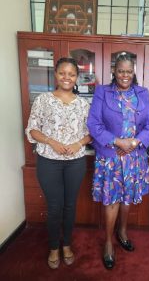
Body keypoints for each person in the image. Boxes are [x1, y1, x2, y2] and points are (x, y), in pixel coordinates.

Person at [87, 52, 149, 270]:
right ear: (114, 72)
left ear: (134, 73)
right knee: (112, 200)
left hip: (134, 157)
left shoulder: (142, 93)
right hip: (111, 157)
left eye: (129, 71)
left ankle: (122, 232)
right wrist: (117, 142)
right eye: (121, 71)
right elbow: (94, 124)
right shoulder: (102, 92)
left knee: (127, 199)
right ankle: (108, 242)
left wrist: (133, 143)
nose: (125, 75)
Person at [25, 57, 92, 269]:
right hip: (48, 162)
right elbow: (32, 130)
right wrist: (50, 141)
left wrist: (78, 143)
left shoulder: (83, 103)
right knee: (55, 207)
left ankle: (67, 245)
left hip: (75, 162)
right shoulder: (43, 99)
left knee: (70, 206)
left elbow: (91, 133)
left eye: (71, 74)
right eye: (63, 73)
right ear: (56, 74)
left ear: (76, 78)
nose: (67, 77)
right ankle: (54, 247)